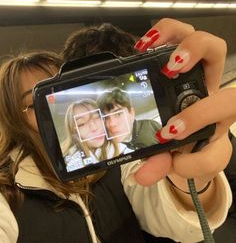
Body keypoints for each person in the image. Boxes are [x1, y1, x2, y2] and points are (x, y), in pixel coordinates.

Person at [0, 20, 233, 243]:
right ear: (14, 119)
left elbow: (169, 217)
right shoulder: (8, 195)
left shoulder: (121, 159)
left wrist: (188, 180)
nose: (92, 124)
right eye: (36, 105)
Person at [97, 87, 161, 150]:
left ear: (131, 113)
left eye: (118, 114)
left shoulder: (151, 127)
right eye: (106, 117)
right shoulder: (106, 146)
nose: (111, 124)